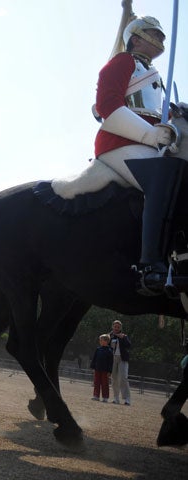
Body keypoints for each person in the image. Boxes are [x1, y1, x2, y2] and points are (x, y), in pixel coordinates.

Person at [94, 16, 177, 292]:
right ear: (136, 37)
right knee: (162, 179)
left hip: (150, 143)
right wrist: (150, 135)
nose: (161, 39)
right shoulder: (122, 62)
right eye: (155, 33)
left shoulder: (154, 75)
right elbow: (107, 105)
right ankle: (150, 264)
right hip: (119, 141)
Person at [109, 320, 132, 405]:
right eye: (115, 326)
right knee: (114, 378)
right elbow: (106, 345)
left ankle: (127, 399)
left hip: (123, 359)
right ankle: (116, 398)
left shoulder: (124, 336)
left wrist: (122, 338)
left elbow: (129, 345)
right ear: (112, 326)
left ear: (120, 328)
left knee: (123, 378)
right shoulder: (109, 336)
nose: (116, 328)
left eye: (118, 327)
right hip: (113, 359)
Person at [90, 333, 113, 402]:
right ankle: (96, 396)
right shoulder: (98, 349)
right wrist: (93, 367)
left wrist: (110, 371)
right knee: (96, 382)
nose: (100, 341)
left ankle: (105, 397)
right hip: (97, 369)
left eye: (101, 340)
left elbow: (111, 362)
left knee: (105, 384)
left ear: (106, 341)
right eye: (100, 340)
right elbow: (94, 358)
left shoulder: (109, 351)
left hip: (105, 371)